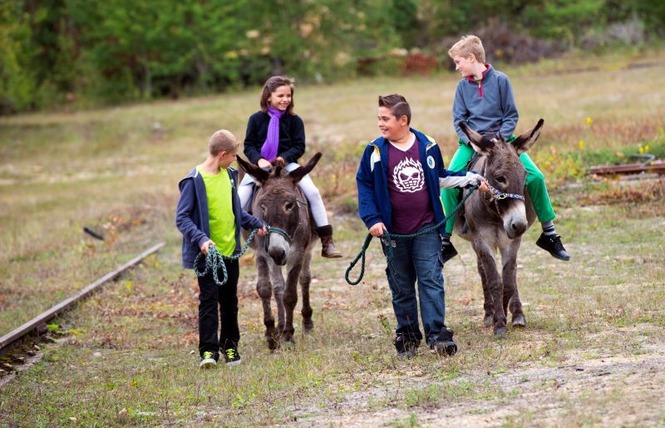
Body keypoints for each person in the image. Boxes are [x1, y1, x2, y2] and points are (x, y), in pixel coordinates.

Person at [356, 94, 487, 358]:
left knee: (431, 279)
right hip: (393, 232)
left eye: (385, 119)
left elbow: (440, 176)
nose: (380, 124)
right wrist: (373, 219)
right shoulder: (375, 151)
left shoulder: (427, 145)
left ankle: (437, 334)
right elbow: (365, 186)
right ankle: (407, 335)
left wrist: (472, 178)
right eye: (379, 118)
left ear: (403, 120)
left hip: (426, 228)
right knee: (401, 285)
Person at [441, 34, 570, 264]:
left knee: (537, 178)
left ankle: (549, 233)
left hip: (504, 143)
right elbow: (458, 119)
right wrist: (471, 141)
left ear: (471, 58)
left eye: (458, 61)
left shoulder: (501, 81)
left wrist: (500, 140)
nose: (456, 66)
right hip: (473, 144)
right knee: (449, 182)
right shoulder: (462, 87)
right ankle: (445, 238)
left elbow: (510, 114)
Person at [176, 129, 267, 369]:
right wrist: (201, 240)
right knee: (209, 300)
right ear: (223, 153)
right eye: (234, 155)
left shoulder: (228, 176)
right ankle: (208, 351)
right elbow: (182, 218)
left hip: (230, 252)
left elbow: (235, 211)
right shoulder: (194, 180)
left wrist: (256, 224)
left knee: (229, 301)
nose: (235, 160)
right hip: (208, 255)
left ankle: (230, 347)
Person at [238, 75, 342, 259]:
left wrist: (284, 158)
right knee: (239, 199)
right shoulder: (255, 119)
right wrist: (259, 160)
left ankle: (327, 240)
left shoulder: (295, 121)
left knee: (313, 192)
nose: (286, 99)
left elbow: (299, 146)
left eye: (289, 95)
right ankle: (235, 241)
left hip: (288, 166)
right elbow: (249, 145)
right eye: (281, 96)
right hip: (261, 168)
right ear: (268, 96)